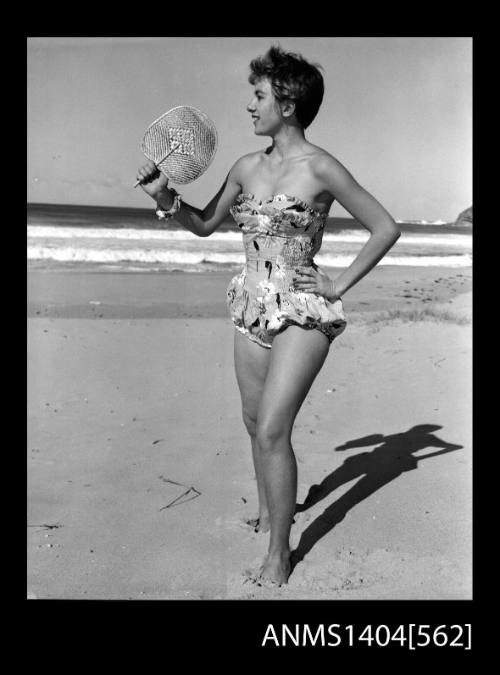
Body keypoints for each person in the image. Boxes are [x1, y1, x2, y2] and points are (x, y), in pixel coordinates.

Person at [136, 45, 401, 586]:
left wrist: (336, 283)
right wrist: (167, 197)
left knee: (274, 429)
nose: (249, 106)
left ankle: (280, 551)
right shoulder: (244, 167)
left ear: (288, 102)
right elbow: (206, 224)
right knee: (254, 423)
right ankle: (266, 512)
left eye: (258, 95)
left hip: (303, 310)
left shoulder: (320, 166)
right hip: (251, 303)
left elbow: (385, 227)